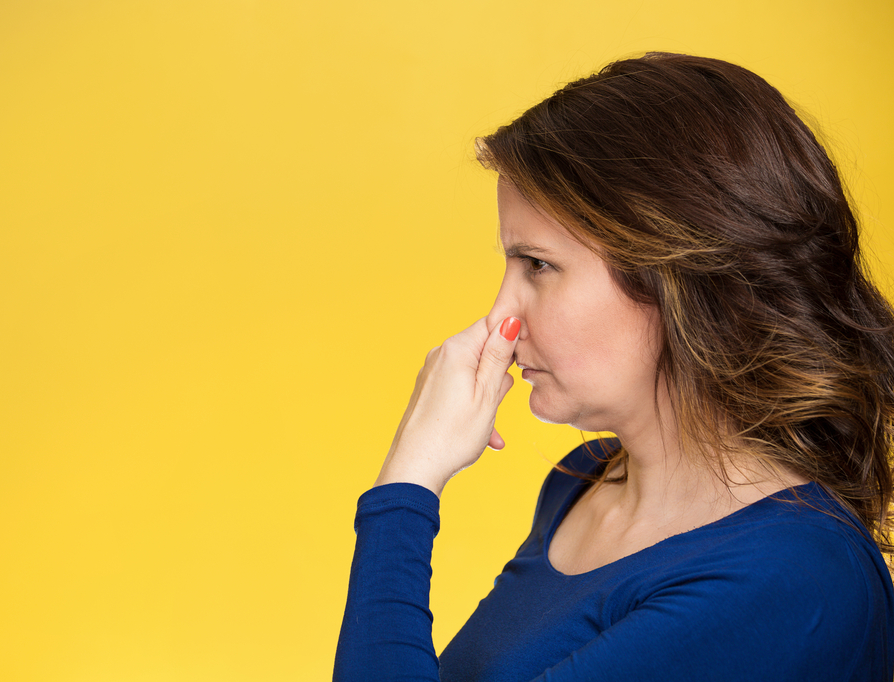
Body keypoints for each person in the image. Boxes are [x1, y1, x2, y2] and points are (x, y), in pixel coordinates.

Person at [333, 53, 894, 681]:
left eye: (537, 265)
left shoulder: (788, 580)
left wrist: (405, 487)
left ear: (675, 280)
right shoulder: (583, 482)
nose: (499, 314)